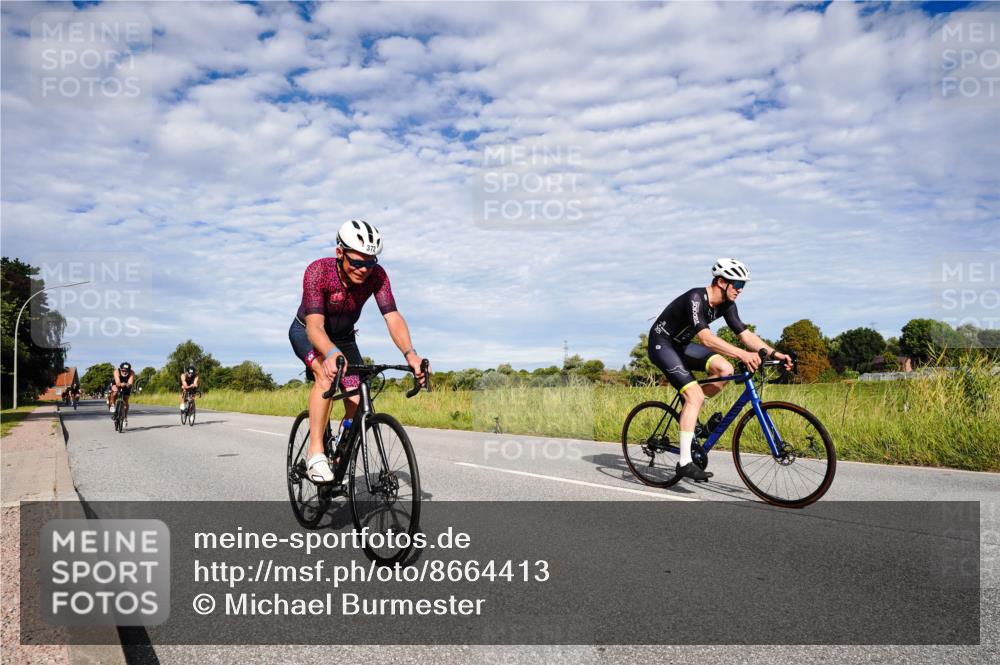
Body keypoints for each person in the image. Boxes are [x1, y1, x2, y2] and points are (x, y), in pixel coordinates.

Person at [289, 220, 427, 483]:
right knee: (326, 375)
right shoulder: (318, 272)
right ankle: (316, 452)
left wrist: (411, 354)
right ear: (340, 253)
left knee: (359, 398)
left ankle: (340, 455)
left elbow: (392, 316)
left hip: (345, 338)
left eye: (370, 262)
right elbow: (315, 327)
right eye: (357, 262)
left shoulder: (377, 276)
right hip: (307, 332)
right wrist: (329, 353)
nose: (364, 269)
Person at [648, 258, 793, 481]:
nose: (740, 290)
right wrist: (742, 354)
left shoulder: (727, 305)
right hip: (662, 344)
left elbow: (745, 335)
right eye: (737, 284)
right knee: (694, 395)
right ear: (721, 281)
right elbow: (706, 339)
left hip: (682, 346)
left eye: (743, 286)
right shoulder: (696, 298)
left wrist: (775, 354)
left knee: (724, 369)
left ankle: (691, 416)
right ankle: (684, 462)